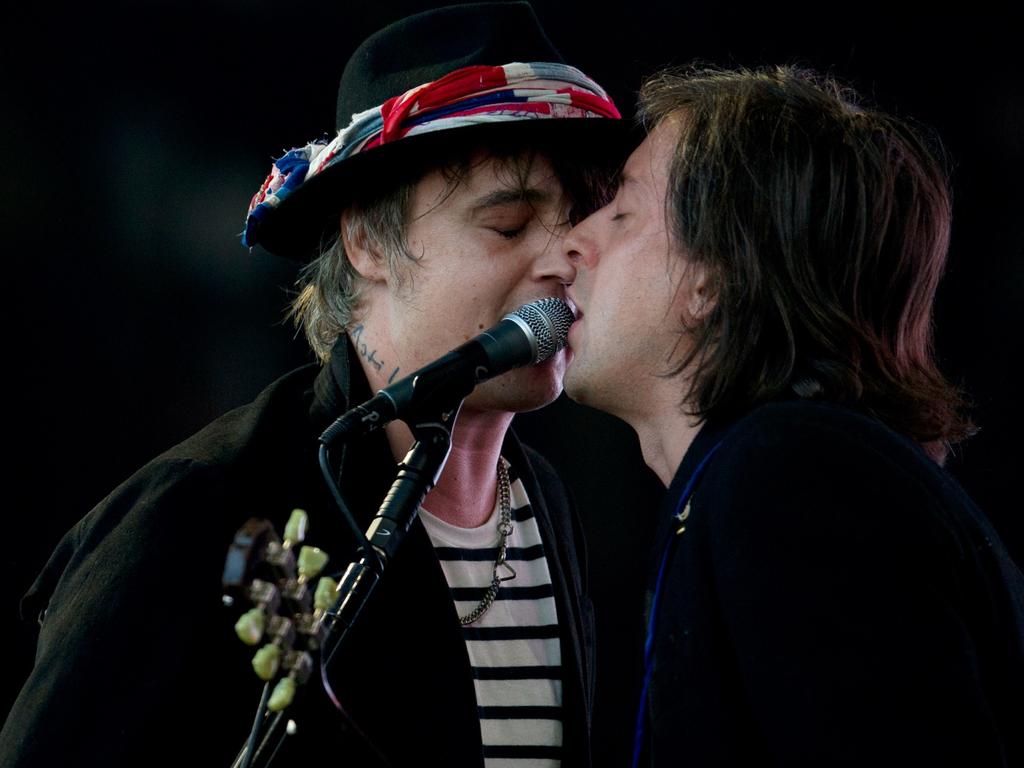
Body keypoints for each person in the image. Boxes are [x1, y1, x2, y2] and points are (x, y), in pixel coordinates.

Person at [0, 4, 624, 766]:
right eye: (507, 225)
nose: (565, 261)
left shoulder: (546, 505)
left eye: (581, 225)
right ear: (365, 239)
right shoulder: (205, 505)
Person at [561, 65, 1024, 766]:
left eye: (621, 213)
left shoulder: (786, 476)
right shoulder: (771, 468)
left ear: (711, 276)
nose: (573, 241)